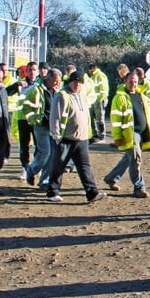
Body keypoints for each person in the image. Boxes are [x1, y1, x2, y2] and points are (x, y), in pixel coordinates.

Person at [45, 70, 107, 203]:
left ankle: (92, 193)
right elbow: (55, 117)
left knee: (85, 166)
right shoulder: (62, 96)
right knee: (58, 165)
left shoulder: (82, 96)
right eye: (75, 82)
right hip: (65, 138)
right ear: (70, 82)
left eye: (80, 83)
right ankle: (52, 192)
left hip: (81, 139)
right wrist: (56, 136)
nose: (78, 85)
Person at [104, 71, 150, 198]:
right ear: (125, 81)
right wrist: (117, 137)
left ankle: (111, 178)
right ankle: (139, 187)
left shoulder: (141, 95)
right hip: (130, 133)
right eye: (130, 81)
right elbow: (115, 119)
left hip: (141, 132)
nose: (133, 84)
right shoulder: (120, 97)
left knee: (128, 159)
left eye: (135, 81)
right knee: (135, 159)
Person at [21, 68, 63, 189]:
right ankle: (31, 170)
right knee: (45, 152)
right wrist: (34, 120)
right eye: (55, 81)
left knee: (52, 154)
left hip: (53, 127)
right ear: (48, 78)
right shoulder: (36, 90)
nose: (57, 83)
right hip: (41, 126)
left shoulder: (57, 91)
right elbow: (26, 107)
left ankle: (44, 181)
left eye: (58, 81)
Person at [8, 61, 39, 180]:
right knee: (24, 146)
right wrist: (16, 86)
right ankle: (25, 168)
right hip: (23, 118)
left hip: (36, 118)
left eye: (34, 70)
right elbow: (7, 92)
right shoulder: (22, 83)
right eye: (30, 70)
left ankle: (36, 168)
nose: (32, 72)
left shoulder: (40, 83)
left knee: (38, 145)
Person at [85, 63, 109, 143]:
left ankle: (101, 135)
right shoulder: (92, 77)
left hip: (98, 100)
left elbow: (104, 90)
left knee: (100, 118)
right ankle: (94, 134)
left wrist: (100, 100)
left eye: (90, 70)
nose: (89, 72)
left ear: (93, 69)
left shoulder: (100, 75)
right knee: (91, 118)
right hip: (92, 101)